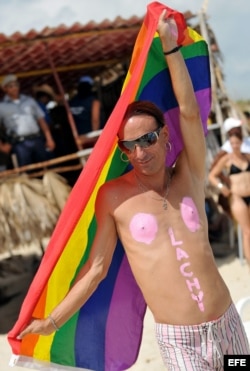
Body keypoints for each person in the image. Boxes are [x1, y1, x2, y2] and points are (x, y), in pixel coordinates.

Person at [19, 10, 249, 370]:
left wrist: (171, 48)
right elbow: (96, 269)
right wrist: (52, 322)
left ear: (165, 135)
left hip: (228, 325)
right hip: (180, 340)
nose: (141, 152)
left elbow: (190, 113)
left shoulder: (188, 174)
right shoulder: (114, 197)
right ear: (123, 152)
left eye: (149, 138)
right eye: (131, 146)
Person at [209, 128, 250, 267]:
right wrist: (222, 187)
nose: (234, 146)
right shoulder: (227, 159)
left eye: (237, 143)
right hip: (237, 196)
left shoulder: (247, 156)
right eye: (232, 143)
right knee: (247, 231)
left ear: (241, 142)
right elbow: (212, 175)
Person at [0, 74, 55, 167]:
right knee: (25, 172)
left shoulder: (29, 101)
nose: (14, 88)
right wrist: (1, 146)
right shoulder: (2, 107)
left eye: (16, 85)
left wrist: (49, 139)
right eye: (10, 86)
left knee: (47, 167)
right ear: (5, 89)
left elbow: (41, 120)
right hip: (19, 144)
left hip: (37, 140)